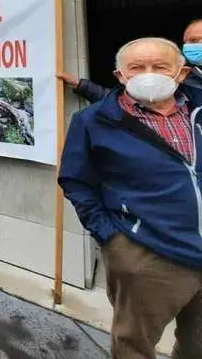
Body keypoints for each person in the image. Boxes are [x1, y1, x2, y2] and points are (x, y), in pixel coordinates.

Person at [59, 37, 202, 358]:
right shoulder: (93, 121)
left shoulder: (198, 111)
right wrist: (113, 240)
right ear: (120, 76)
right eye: (137, 67)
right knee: (134, 345)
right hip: (149, 256)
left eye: (160, 67)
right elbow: (75, 181)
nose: (148, 74)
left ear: (181, 73)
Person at [60, 18, 202, 103]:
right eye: (187, 42)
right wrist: (81, 85)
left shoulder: (179, 72)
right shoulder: (178, 76)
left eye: (195, 40)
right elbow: (126, 102)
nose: (189, 47)